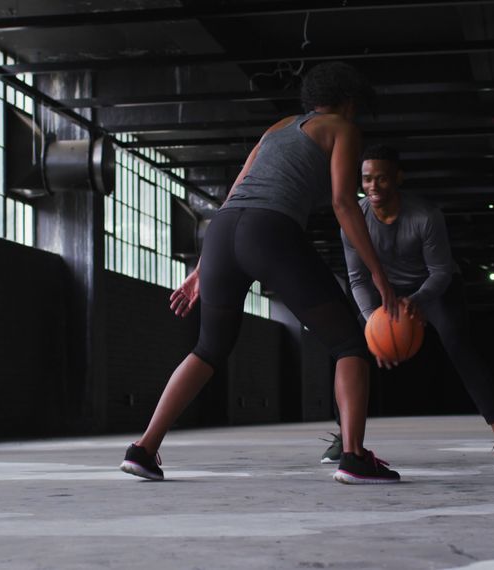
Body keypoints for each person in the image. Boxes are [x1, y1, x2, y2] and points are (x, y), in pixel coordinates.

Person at [120, 62, 402, 484]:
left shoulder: (278, 127)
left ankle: (143, 448)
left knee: (208, 347)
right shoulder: (342, 128)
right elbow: (345, 203)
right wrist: (379, 275)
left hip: (223, 231)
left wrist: (201, 269)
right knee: (349, 345)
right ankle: (354, 456)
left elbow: (236, 189)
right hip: (269, 230)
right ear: (349, 102)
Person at [319, 145, 494, 466]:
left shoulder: (425, 216)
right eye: (367, 179)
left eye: (382, 179)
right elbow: (357, 279)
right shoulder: (353, 220)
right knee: (350, 349)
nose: (373, 186)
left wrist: (416, 302)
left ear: (398, 178)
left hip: (434, 288)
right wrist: (375, 321)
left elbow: (441, 272)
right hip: (384, 292)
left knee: (458, 345)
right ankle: (344, 436)